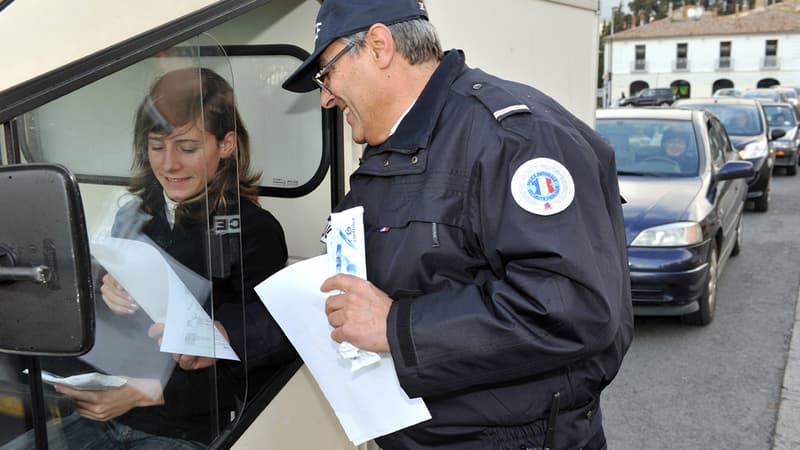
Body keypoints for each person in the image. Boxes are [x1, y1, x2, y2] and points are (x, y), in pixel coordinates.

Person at [282, 1, 633, 449]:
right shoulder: (390, 152)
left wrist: (396, 326)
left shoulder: (515, 138)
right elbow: (364, 283)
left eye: (326, 72)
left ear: (378, 46)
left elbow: (572, 307)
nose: (325, 96)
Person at [7, 67, 293, 449]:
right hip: (106, 409)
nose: (169, 164)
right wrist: (103, 286)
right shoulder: (135, 212)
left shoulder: (253, 231)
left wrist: (150, 392)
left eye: (187, 148)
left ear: (226, 145)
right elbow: (104, 311)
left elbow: (258, 356)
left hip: (184, 425)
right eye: (157, 146)